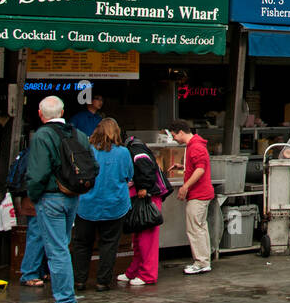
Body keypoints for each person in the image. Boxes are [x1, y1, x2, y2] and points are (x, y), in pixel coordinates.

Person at [24, 95, 91, 303]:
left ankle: (65, 302)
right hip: (73, 196)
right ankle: (67, 294)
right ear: (62, 113)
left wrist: (33, 196)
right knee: (63, 246)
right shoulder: (78, 134)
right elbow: (92, 164)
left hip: (50, 196)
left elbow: (37, 173)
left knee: (57, 250)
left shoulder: (42, 136)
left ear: (40, 114)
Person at [70, 117, 132, 292]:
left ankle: (79, 280)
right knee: (109, 244)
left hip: (86, 204)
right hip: (114, 205)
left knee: (82, 243)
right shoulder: (123, 152)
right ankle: (102, 282)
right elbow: (128, 175)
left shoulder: (87, 150)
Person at [169, 120, 214, 273]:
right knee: (200, 227)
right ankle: (204, 260)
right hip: (202, 194)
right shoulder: (196, 145)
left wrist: (185, 186)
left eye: (174, 135)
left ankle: (201, 262)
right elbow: (198, 166)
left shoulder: (194, 146)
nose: (174, 138)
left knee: (195, 229)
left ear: (181, 132)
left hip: (198, 194)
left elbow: (200, 169)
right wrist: (183, 167)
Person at [120, 136, 163, 287]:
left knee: (146, 240)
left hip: (146, 198)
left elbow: (146, 170)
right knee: (139, 239)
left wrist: (143, 187)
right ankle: (135, 271)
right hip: (142, 198)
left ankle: (148, 275)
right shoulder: (136, 149)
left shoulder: (135, 150)